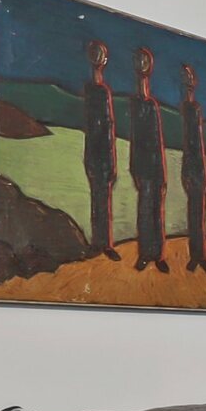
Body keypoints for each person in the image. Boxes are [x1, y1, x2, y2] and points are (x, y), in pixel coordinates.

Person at [127, 47, 167, 272]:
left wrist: (161, 173)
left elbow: (157, 141)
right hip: (143, 169)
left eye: (145, 62)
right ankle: (145, 254)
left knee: (156, 212)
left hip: (155, 169)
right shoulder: (136, 105)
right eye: (139, 62)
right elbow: (135, 139)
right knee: (144, 211)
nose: (142, 66)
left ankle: (158, 255)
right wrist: (134, 169)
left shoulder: (152, 106)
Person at [80, 40, 117, 256]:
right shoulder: (93, 93)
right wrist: (89, 159)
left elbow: (108, 129)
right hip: (95, 156)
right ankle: (99, 243)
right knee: (98, 200)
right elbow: (92, 129)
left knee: (104, 200)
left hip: (104, 157)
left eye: (100, 55)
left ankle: (106, 244)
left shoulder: (103, 93)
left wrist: (111, 161)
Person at [177, 62, 206, 274]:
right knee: (193, 216)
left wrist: (204, 176)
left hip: (198, 169)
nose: (188, 82)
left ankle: (200, 257)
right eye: (185, 78)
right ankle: (194, 256)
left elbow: (197, 144)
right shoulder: (187, 110)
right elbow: (189, 147)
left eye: (190, 78)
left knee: (199, 218)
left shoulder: (195, 110)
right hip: (191, 169)